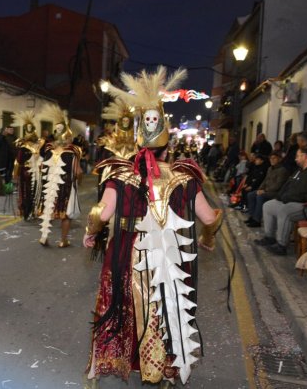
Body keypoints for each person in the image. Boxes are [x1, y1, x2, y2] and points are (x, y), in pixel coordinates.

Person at [83, 66, 222, 387]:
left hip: (127, 255)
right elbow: (212, 218)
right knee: (166, 304)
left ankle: (125, 360)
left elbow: (99, 215)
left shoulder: (119, 175)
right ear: (167, 141)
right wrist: (208, 239)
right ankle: (163, 366)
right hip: (172, 256)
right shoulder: (185, 176)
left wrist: (91, 234)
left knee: (125, 305)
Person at [254, 146, 307, 255]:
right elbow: (287, 185)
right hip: (292, 202)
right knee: (268, 205)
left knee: (285, 211)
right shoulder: (299, 171)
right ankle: (269, 237)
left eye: (298, 156)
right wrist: (280, 196)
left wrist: (297, 198)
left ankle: (281, 245)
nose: (295, 159)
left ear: (305, 156)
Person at [37, 104, 82, 247]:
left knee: (49, 210)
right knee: (66, 215)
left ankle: (44, 237)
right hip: (66, 186)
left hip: (49, 186)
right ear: (67, 136)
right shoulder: (72, 152)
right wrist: (78, 183)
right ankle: (63, 241)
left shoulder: (49, 150)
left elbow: (41, 167)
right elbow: (78, 172)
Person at [12, 110, 45, 219]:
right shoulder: (22, 143)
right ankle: (26, 210)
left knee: (36, 190)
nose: (29, 129)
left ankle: (34, 210)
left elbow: (42, 156)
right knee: (25, 191)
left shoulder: (39, 143)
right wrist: (15, 172)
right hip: (24, 171)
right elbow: (18, 159)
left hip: (36, 171)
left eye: (31, 127)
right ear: (25, 129)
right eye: (27, 127)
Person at [245, 151, 289, 227]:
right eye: (270, 158)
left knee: (260, 196)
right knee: (251, 195)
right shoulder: (270, 169)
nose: (272, 160)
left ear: (279, 159)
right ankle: (252, 216)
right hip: (266, 190)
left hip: (275, 192)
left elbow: (278, 185)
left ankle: (257, 220)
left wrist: (264, 190)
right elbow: (265, 181)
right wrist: (260, 189)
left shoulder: (282, 170)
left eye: (274, 158)